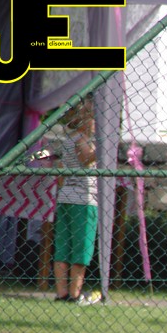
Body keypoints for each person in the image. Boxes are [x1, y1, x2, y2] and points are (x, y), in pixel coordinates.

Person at [53, 97, 101, 305]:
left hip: (65, 197)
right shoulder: (82, 139)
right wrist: (104, 148)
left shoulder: (68, 140)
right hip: (83, 200)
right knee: (81, 247)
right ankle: (74, 294)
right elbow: (85, 159)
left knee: (63, 246)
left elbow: (61, 170)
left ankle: (62, 292)